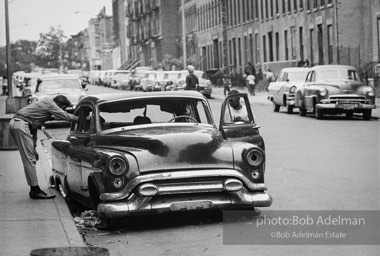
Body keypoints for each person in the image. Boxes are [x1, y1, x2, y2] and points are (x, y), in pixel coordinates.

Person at [9, 95, 78, 200]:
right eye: (62, 108)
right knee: (29, 160)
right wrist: (83, 119)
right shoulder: (50, 103)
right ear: (59, 104)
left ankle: (34, 189)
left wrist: (34, 148)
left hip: (19, 124)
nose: (61, 111)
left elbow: (34, 129)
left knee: (30, 158)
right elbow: (66, 116)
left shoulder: (44, 105)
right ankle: (35, 191)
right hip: (21, 125)